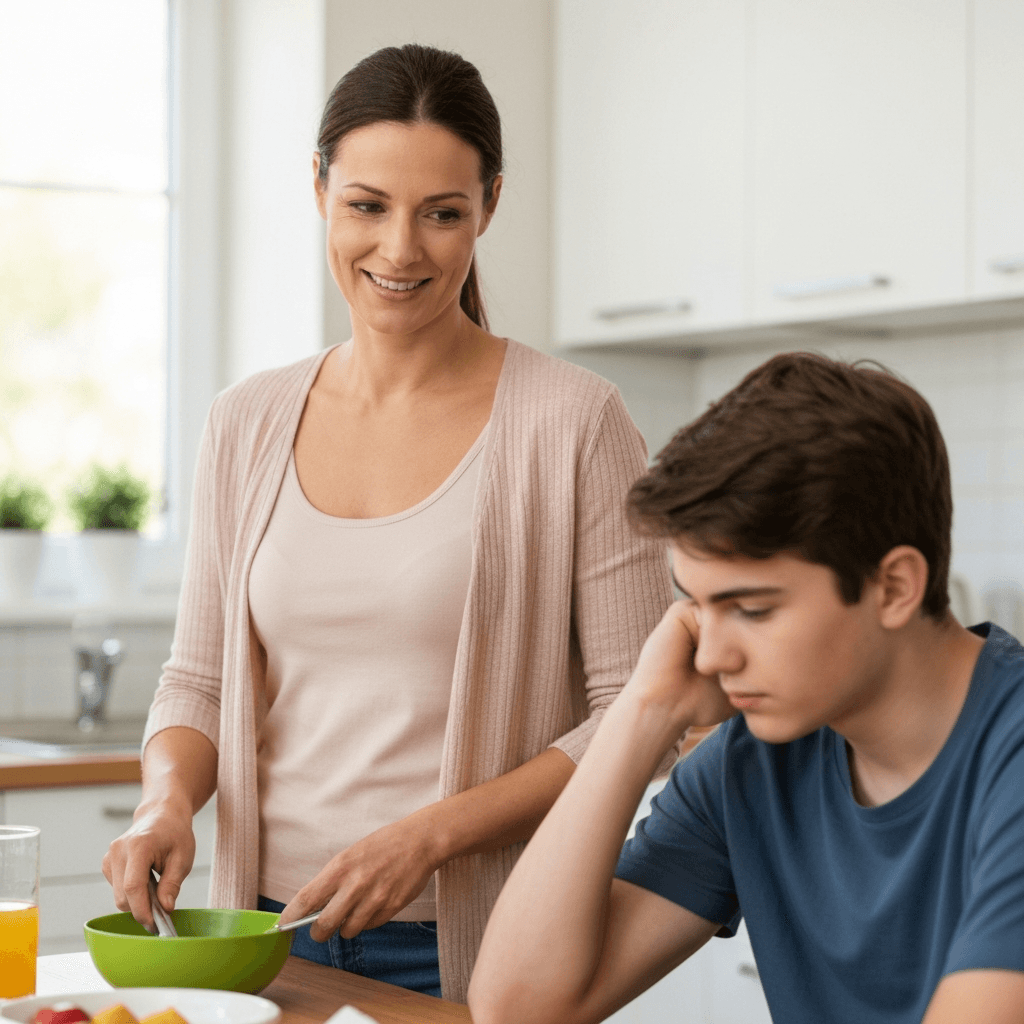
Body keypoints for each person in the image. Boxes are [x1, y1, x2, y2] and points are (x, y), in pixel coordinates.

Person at [101, 43, 674, 1002]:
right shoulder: (245, 421)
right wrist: (166, 801)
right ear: (320, 187)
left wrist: (431, 835)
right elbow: (198, 678)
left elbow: (638, 718)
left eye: (442, 214)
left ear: (489, 204)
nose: (400, 250)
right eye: (367, 205)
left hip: (470, 945)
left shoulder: (576, 421)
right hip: (259, 936)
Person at [468, 352, 1024, 1024]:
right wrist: (643, 711)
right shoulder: (750, 760)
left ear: (895, 586)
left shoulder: (1010, 754)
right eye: (701, 608)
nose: (713, 656)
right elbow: (516, 1008)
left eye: (753, 609)